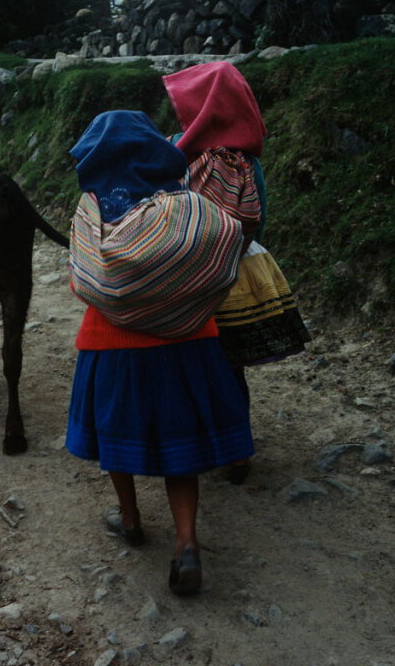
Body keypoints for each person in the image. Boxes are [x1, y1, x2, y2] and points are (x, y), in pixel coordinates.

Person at [65, 110, 254, 595]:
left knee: (114, 437)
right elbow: (223, 249)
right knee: (181, 449)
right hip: (187, 341)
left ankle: (129, 517)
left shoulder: (95, 208)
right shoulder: (185, 201)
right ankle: (186, 542)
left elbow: (81, 279)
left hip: (113, 344)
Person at [163, 60, 310, 484]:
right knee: (232, 366)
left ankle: (193, 443)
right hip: (236, 275)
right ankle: (238, 452)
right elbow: (258, 220)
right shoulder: (248, 161)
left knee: (188, 358)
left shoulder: (176, 150)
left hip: (184, 274)